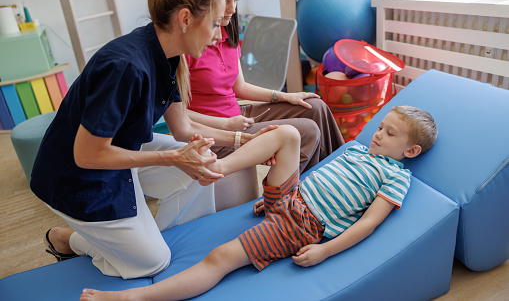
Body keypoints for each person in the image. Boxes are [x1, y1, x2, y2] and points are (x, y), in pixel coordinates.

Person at [30, 0, 276, 280]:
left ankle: (144, 240)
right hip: (77, 179)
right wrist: (171, 158)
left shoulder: (168, 55)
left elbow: (183, 129)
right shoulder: (125, 67)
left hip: (120, 152)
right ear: (185, 19)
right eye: (215, 24)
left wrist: (249, 141)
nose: (218, 35)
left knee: (201, 164)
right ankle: (69, 239)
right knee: (152, 264)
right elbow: (87, 156)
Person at [79, 105, 438, 300]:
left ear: (410, 151)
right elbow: (319, 174)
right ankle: (216, 168)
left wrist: (326, 251)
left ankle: (133, 300)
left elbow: (368, 223)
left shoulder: (395, 177)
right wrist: (277, 195)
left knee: (220, 258)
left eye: (389, 134)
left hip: (301, 226)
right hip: (292, 197)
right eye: (380, 126)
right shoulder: (357, 150)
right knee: (288, 133)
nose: (377, 134)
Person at [185, 0, 344, 174]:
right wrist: (226, 125)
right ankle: (305, 187)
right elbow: (179, 116)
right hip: (220, 129)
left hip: (239, 115)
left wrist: (285, 96)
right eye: (226, 0)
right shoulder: (188, 47)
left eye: (236, 0)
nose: (232, 9)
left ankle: (343, 170)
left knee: (314, 105)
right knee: (308, 130)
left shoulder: (226, 33)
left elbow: (239, 87)